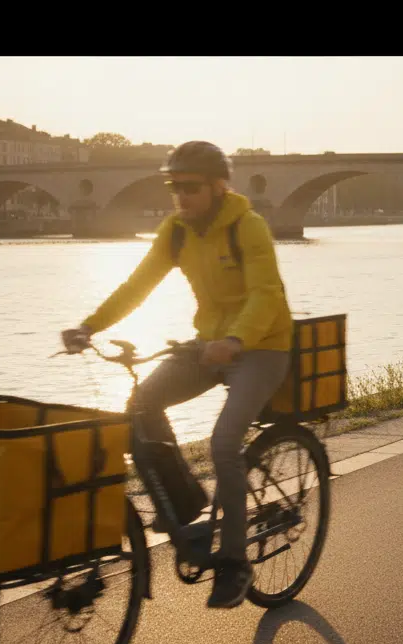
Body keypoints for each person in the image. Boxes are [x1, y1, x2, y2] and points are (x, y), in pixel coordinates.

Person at [60, 140, 294, 610]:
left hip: (262, 346)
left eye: (191, 187)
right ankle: (184, 504)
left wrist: (237, 340)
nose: (181, 196)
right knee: (140, 406)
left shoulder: (247, 226)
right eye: (175, 187)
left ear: (218, 186)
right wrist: (89, 326)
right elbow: (138, 285)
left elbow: (267, 294)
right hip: (207, 345)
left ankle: (235, 563)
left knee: (223, 443)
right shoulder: (176, 231)